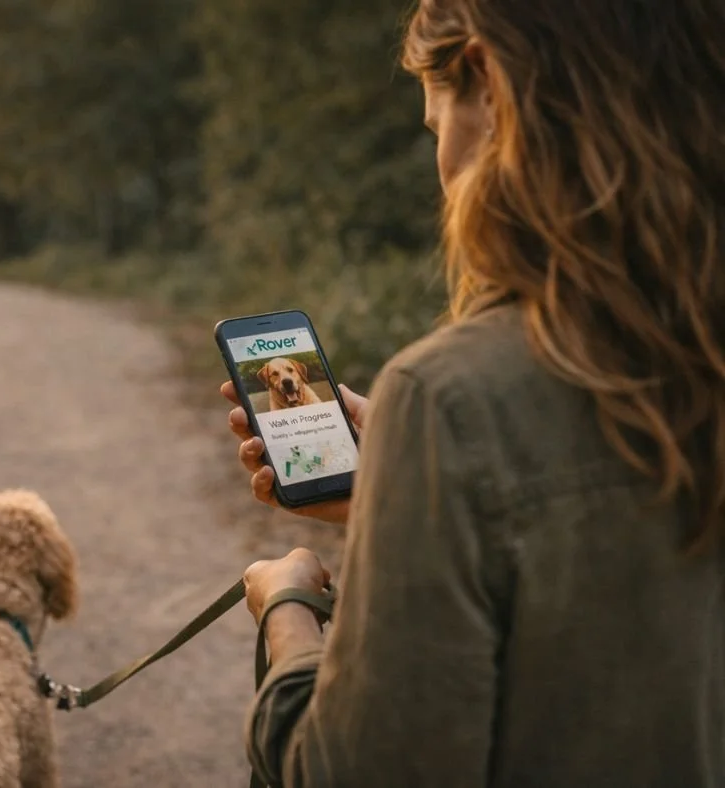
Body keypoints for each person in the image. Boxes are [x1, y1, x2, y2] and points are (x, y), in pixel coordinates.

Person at [223, 1, 725, 785]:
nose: (442, 168)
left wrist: (287, 611)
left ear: (489, 84)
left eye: (435, 127)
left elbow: (354, 772)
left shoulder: (450, 401)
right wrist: (398, 495)